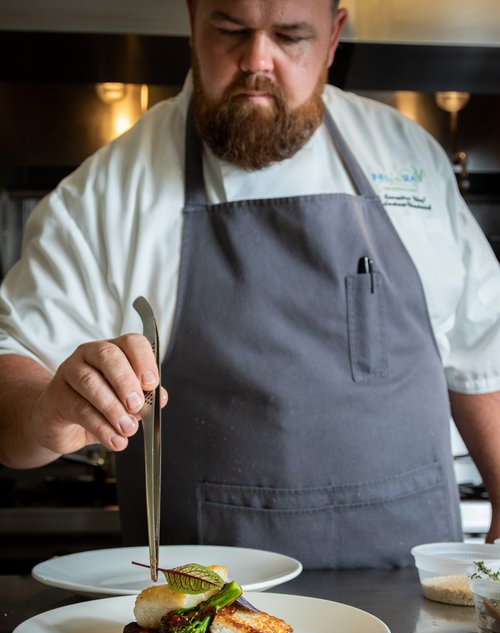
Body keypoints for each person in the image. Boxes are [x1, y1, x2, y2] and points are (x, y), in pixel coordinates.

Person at [0, 0, 499, 568]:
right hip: (204, 619)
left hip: (414, 601)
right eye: (232, 29)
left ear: (333, 38)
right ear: (193, 21)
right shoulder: (105, 194)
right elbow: (10, 374)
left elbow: (484, 353)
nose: (256, 59)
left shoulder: (407, 158)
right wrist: (48, 411)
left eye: (290, 37)